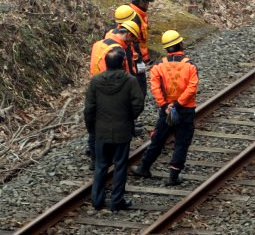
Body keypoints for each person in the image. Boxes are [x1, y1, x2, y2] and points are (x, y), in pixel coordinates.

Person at [130, 30, 198, 186]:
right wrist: (178, 103)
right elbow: (192, 87)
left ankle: (145, 168)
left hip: (166, 110)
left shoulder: (159, 66)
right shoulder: (190, 66)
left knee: (158, 139)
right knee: (182, 142)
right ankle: (174, 175)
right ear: (180, 44)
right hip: (185, 109)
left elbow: (155, 88)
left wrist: (165, 105)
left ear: (166, 48)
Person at [84, 47, 144, 211]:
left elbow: (89, 108)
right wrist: (128, 117)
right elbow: (138, 104)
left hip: (101, 131)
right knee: (120, 165)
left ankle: (97, 200)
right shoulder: (130, 80)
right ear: (123, 62)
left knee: (101, 165)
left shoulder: (95, 81)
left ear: (105, 63)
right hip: (122, 131)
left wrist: (92, 129)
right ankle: (117, 200)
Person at [87, 20, 141, 167]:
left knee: (95, 123)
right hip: (109, 89)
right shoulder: (117, 50)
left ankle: (94, 158)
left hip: (95, 85)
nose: (132, 43)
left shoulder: (99, 43)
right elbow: (122, 73)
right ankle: (104, 158)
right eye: (132, 39)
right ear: (128, 34)